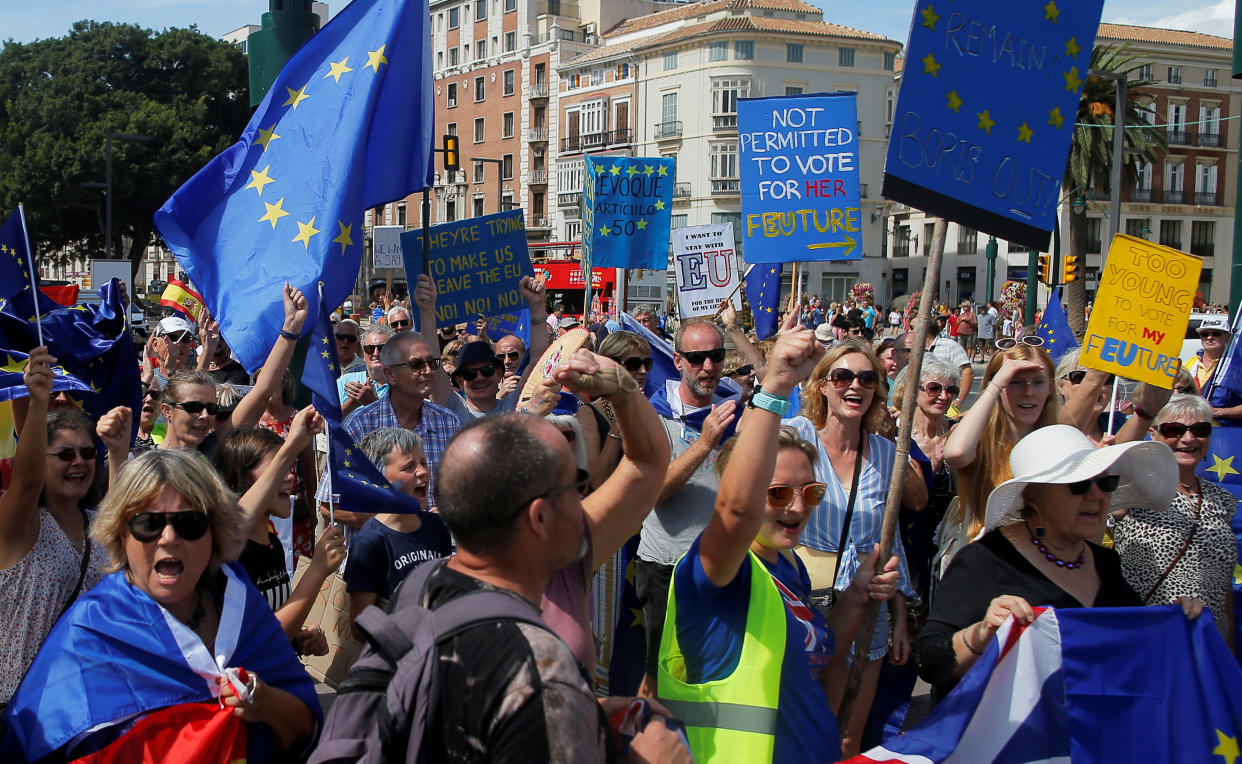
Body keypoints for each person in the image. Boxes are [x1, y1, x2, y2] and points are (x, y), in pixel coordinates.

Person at [382, 385, 683, 759]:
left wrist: (622, 391)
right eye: (574, 485)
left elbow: (646, 465)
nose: (586, 496)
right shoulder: (534, 658)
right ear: (539, 517)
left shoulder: (420, 586)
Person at [657, 326, 901, 762]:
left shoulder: (788, 567)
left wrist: (858, 595)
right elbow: (736, 511)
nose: (796, 508)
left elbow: (820, 663)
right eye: (776, 493)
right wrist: (775, 387)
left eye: (810, 493)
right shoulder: (712, 573)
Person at [2, 450, 321, 761]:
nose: (169, 538)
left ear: (214, 533)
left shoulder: (239, 604)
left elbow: (304, 726)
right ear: (121, 534)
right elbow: (32, 745)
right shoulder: (89, 634)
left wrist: (265, 702)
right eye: (148, 523)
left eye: (190, 522)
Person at [913, 425, 1202, 697]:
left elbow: (1136, 645)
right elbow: (931, 661)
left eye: (1106, 482)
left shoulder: (1106, 563)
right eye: (1078, 485)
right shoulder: (984, 560)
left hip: (1091, 737)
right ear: (1034, 496)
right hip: (1020, 745)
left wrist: (1173, 622)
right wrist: (983, 633)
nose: (1096, 495)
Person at [783, 339, 919, 756]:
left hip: (867, 604)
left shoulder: (885, 453)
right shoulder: (797, 437)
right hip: (802, 598)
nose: (853, 385)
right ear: (822, 384)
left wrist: (899, 614)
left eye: (866, 378)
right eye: (842, 376)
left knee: (846, 734)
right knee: (794, 722)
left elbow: (890, 534)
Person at [0, 350, 118, 704]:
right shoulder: (19, 526)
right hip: (15, 713)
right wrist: (37, 404)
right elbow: (25, 483)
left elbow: (126, 510)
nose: (79, 462)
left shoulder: (98, 525)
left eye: (87, 453)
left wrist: (119, 450)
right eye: (65, 454)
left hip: (79, 710)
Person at [636, 318, 738, 691]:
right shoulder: (653, 415)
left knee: (711, 678)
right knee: (658, 678)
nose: (708, 367)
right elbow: (652, 493)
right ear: (678, 360)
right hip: (668, 568)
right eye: (697, 358)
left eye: (716, 356)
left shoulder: (732, 415)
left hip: (720, 568)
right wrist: (705, 442)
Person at [212, 414, 346, 653]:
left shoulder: (271, 541)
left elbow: (273, 622)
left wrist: (298, 639)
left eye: (290, 467)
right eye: (280, 468)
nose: (291, 477)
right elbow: (264, 639)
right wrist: (316, 570)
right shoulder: (229, 552)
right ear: (243, 478)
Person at [315, 329, 462, 546]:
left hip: (437, 560)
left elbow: (466, 494)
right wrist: (399, 521)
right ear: (390, 374)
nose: (428, 371)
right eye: (416, 365)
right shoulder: (359, 425)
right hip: (380, 565)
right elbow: (330, 506)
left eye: (432, 362)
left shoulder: (449, 423)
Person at [1114, 395, 1236, 642]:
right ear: (1153, 434)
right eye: (1174, 430)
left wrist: (1229, 646)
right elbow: (1116, 459)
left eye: (1200, 430)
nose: (1189, 439)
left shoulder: (1223, 500)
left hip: (1209, 642)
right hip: (1150, 638)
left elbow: (1224, 586)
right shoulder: (1132, 488)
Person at [941, 344, 1059, 568]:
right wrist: (995, 385)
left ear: (1051, 388)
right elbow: (956, 454)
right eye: (1015, 382)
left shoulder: (1057, 442)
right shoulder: (978, 439)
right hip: (985, 564)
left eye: (1038, 382)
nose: (1028, 392)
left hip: (1043, 566)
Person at [344, 429, 452, 624]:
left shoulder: (437, 527)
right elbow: (359, 627)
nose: (422, 471)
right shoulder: (369, 542)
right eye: (409, 467)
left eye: (423, 463)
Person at [895, 325, 974, 415]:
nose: (944, 396)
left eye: (951, 390)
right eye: (933, 388)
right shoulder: (896, 420)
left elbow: (967, 372)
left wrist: (959, 400)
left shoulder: (950, 346)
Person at [338, 323, 394, 416]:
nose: (376, 353)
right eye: (370, 349)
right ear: (364, 355)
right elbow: (324, 425)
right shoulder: (344, 381)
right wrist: (351, 404)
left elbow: (404, 426)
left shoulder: (404, 386)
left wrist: (373, 403)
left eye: (382, 348)